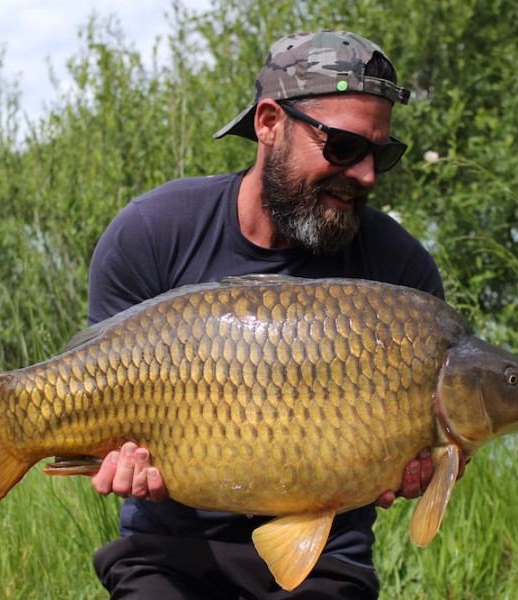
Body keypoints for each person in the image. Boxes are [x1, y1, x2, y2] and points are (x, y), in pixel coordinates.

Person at [86, 30, 445, 599]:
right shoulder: (151, 234)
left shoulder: (401, 275)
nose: (367, 175)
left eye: (382, 153)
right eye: (345, 147)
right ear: (270, 122)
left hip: (326, 555)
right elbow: (101, 397)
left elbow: (443, 436)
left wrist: (424, 464)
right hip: (168, 549)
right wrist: (114, 458)